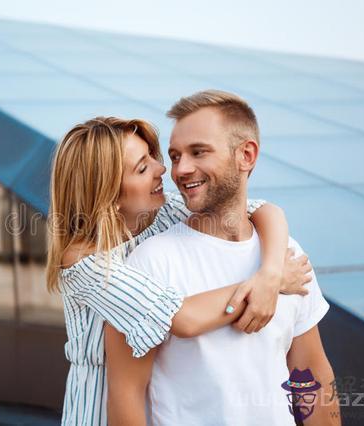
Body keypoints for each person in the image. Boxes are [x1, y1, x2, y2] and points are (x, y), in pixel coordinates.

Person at [47, 116, 313, 426]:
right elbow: (181, 318)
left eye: (153, 158)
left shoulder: (163, 211)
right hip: (99, 411)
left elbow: (264, 210)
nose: (163, 170)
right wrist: (276, 281)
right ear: (108, 196)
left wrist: (269, 271)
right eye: (143, 168)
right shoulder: (85, 262)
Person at [105, 90, 340, 425]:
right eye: (174, 156)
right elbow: (126, 398)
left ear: (246, 155)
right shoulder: (149, 263)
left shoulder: (287, 256)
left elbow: (311, 375)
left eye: (198, 152)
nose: (181, 169)